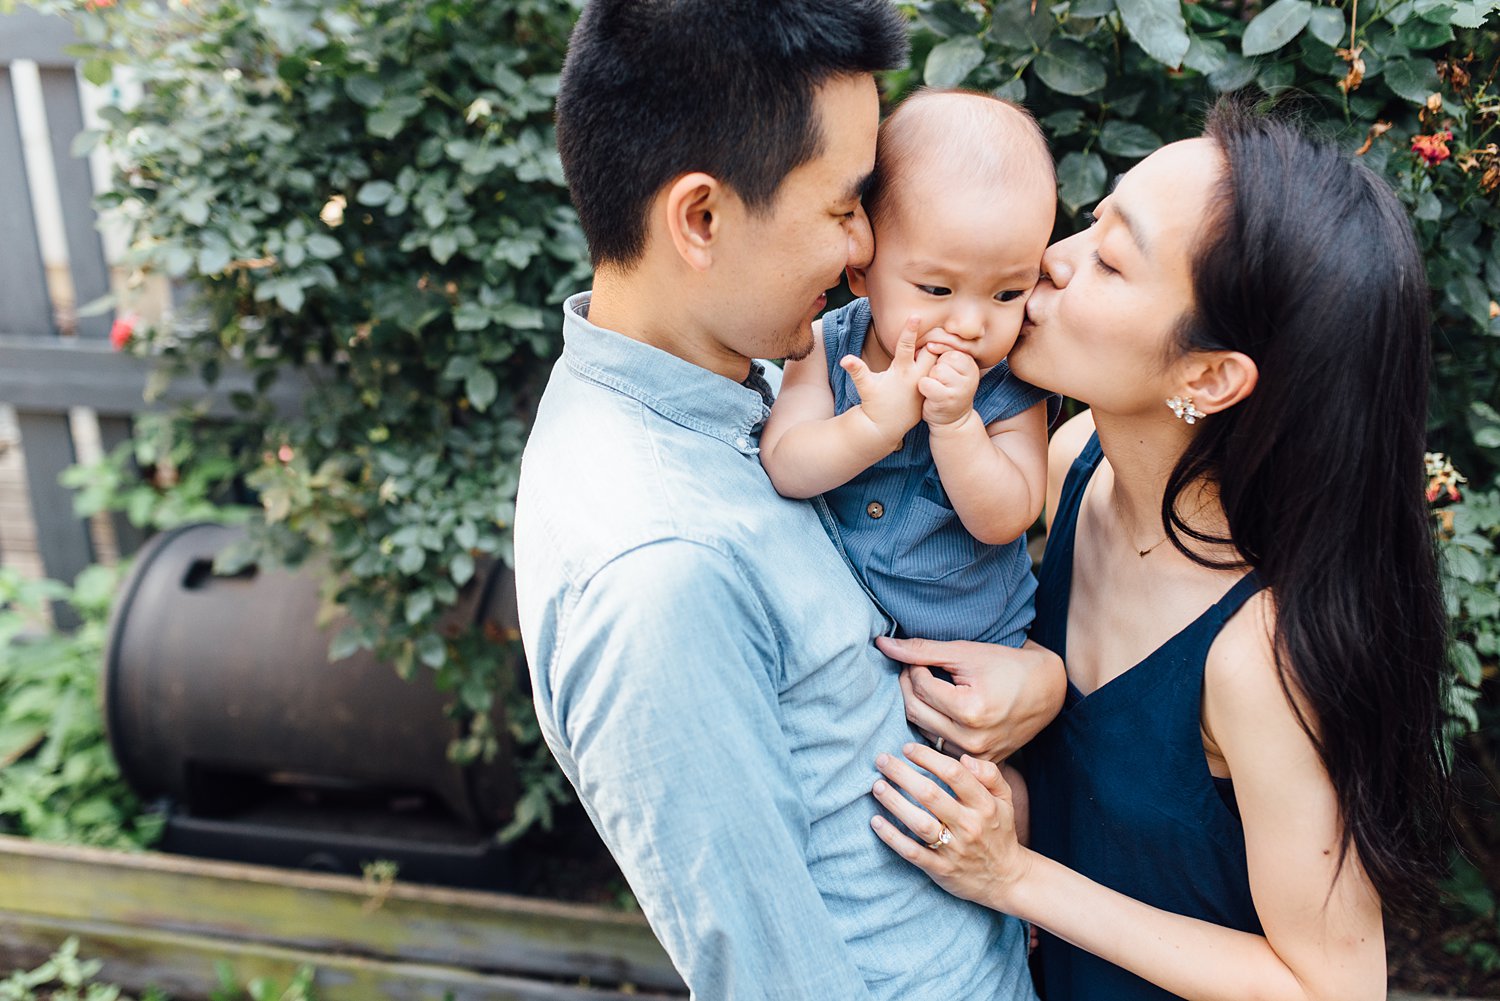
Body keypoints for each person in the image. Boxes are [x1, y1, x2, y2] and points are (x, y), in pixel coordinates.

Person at [512, 2, 1064, 997]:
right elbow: (769, 972)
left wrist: (1036, 686)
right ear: (702, 218)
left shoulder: (764, 378)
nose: (865, 245)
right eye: (847, 205)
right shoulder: (660, 565)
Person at [865, 103, 1450, 1000]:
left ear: (1208, 375)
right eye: (1093, 217)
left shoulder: (1260, 652)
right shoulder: (1072, 469)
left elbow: (1334, 987)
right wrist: (1034, 686)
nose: (1051, 259)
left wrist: (1014, 876)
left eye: (1107, 259)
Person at [760, 90, 1056, 649]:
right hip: (840, 637)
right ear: (862, 271)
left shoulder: (1010, 381)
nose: (971, 323)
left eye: (1008, 291)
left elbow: (1009, 516)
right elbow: (785, 464)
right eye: (938, 288)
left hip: (970, 650)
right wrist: (873, 426)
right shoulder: (829, 343)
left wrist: (957, 426)